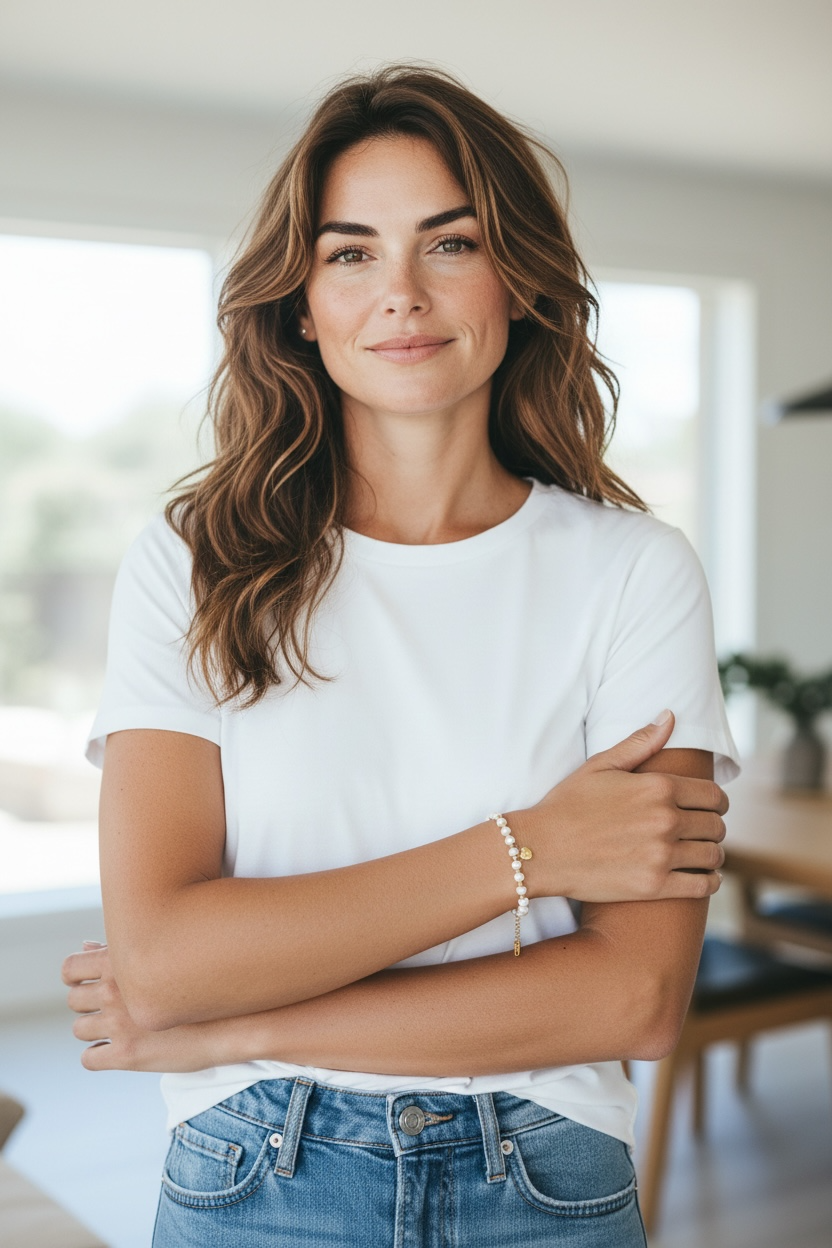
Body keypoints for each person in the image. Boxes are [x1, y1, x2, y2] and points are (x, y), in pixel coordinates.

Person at [63, 64, 738, 1247]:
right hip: (254, 1175)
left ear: (517, 280)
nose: (402, 295)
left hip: (545, 1177)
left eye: (450, 243)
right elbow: (165, 962)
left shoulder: (635, 571)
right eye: (351, 253)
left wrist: (238, 1024)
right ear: (300, 303)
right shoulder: (194, 561)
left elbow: (631, 997)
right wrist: (531, 849)